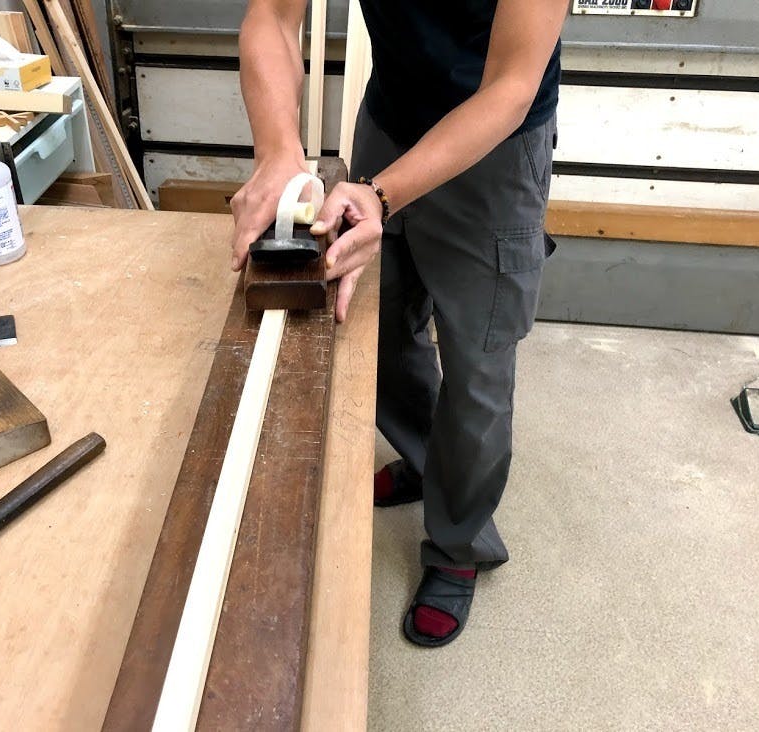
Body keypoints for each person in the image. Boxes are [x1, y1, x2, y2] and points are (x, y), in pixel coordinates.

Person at [232, 0, 566, 646]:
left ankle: (458, 543)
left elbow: (510, 86)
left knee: (478, 365)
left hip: (496, 143)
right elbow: (271, 16)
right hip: (392, 117)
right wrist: (277, 152)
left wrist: (381, 196)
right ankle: (427, 458)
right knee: (374, 326)